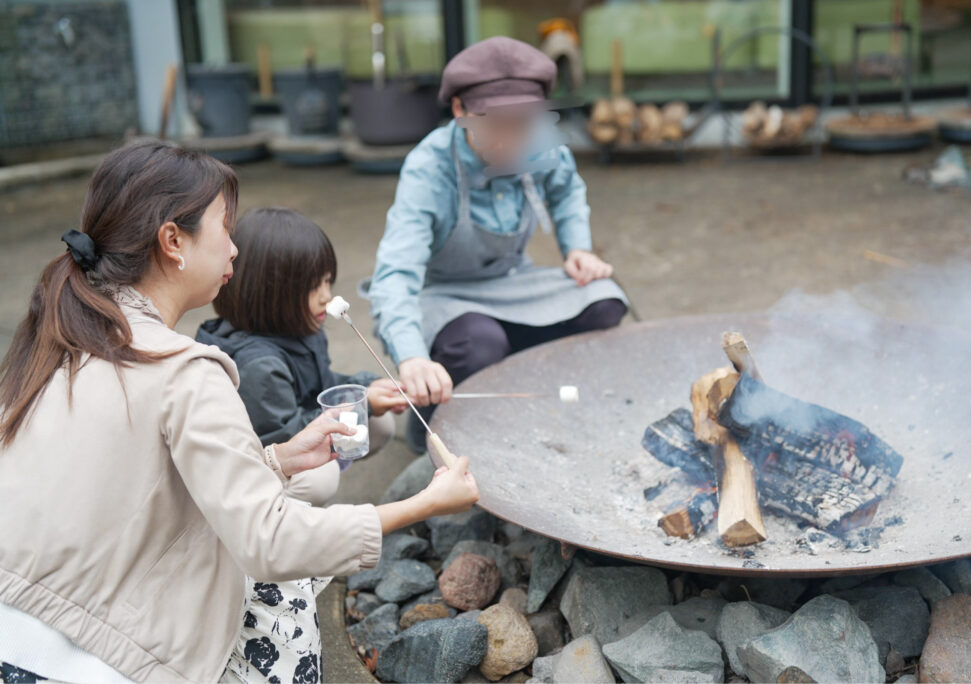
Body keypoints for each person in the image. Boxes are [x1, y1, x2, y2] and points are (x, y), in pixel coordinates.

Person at [0, 140, 478, 683]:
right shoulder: (185, 369)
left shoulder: (66, 331)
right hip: (90, 661)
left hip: (15, 626)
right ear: (173, 241)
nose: (234, 250)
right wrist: (425, 503)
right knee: (285, 593)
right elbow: (270, 543)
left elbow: (133, 492)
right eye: (226, 229)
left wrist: (276, 459)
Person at [368, 36, 629, 452]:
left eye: (523, 123)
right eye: (493, 124)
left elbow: (565, 189)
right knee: (479, 343)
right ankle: (436, 426)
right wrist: (413, 358)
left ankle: (539, 405)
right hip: (448, 296)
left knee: (604, 302)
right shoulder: (430, 169)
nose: (510, 139)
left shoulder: (540, 142)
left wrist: (576, 248)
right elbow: (395, 274)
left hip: (515, 283)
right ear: (458, 110)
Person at [197, 208, 407, 506]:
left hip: (295, 428)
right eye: (313, 287)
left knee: (376, 423)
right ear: (270, 293)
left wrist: (364, 390)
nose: (327, 296)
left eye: (328, 282)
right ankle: (281, 510)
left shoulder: (301, 328)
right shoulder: (259, 366)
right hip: (263, 460)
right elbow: (285, 436)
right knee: (319, 477)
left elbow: (319, 387)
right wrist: (361, 405)